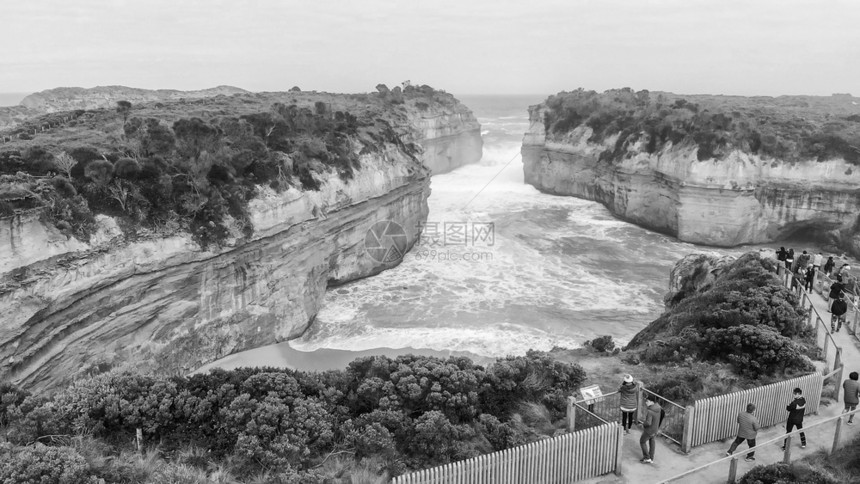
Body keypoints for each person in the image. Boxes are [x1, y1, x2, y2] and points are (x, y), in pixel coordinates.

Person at [639, 396, 663, 464]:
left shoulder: (650, 411)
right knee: (652, 442)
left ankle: (647, 457)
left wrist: (643, 424)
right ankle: (651, 458)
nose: (646, 403)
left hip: (649, 430)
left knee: (642, 442)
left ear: (652, 402)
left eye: (647, 401)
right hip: (655, 429)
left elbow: (648, 423)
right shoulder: (659, 408)